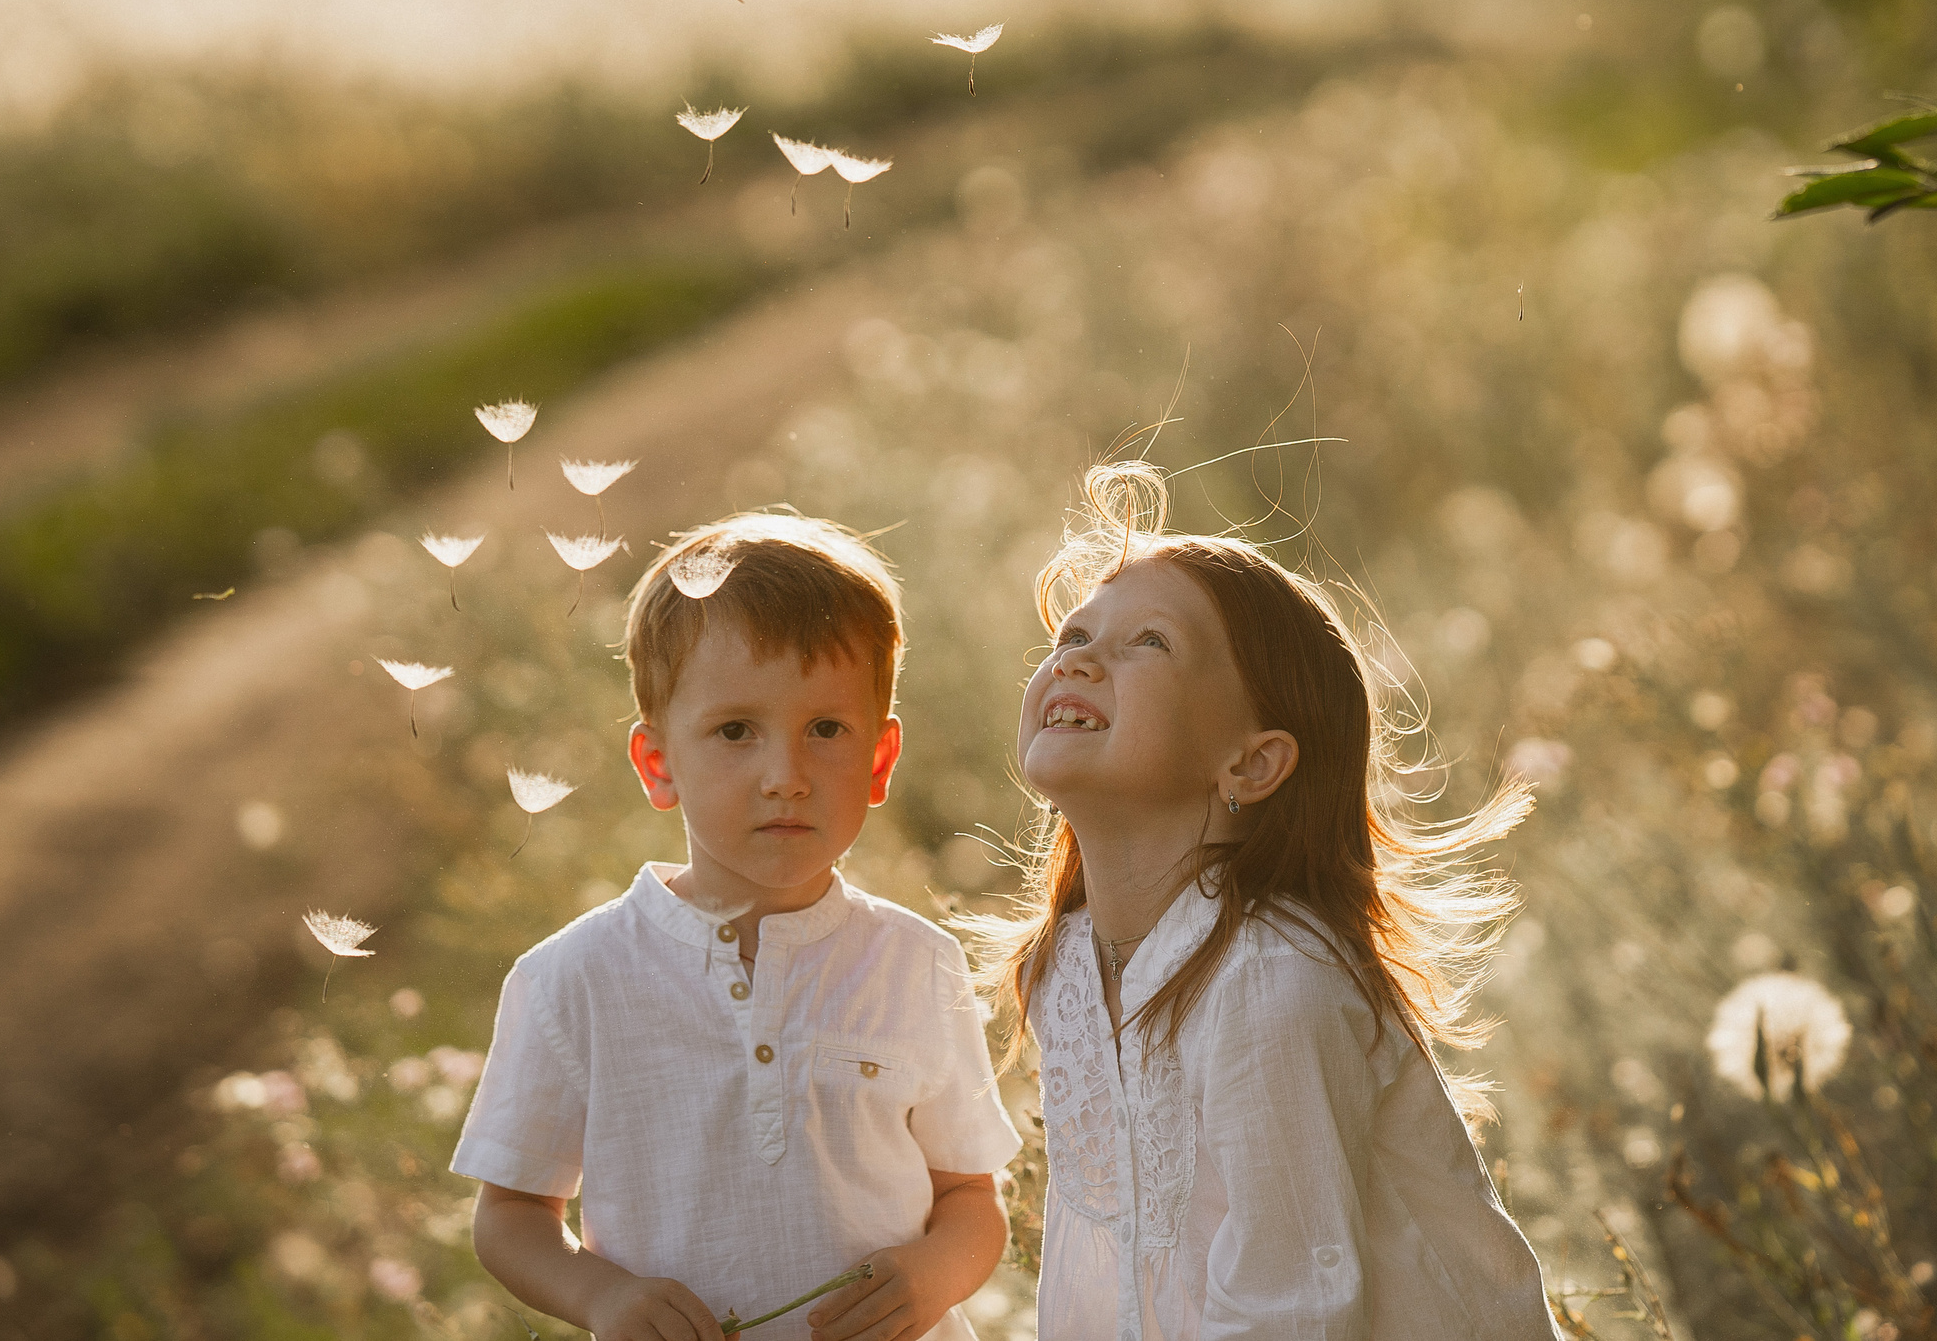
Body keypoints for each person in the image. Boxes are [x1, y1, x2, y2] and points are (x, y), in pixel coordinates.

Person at [987, 462, 1561, 1339]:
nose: (1080, 656)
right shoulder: (1066, 963)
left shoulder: (1270, 981)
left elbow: (1296, 1306)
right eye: (1073, 632)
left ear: (1251, 764)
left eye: (1150, 642)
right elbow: (1092, 1268)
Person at [455, 512, 1022, 1341]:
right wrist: (603, 1295)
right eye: (734, 731)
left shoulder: (916, 962)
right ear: (659, 764)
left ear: (879, 760)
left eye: (825, 729)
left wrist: (933, 1273)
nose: (785, 776)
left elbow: (973, 1198)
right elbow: (509, 1213)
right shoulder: (571, 978)